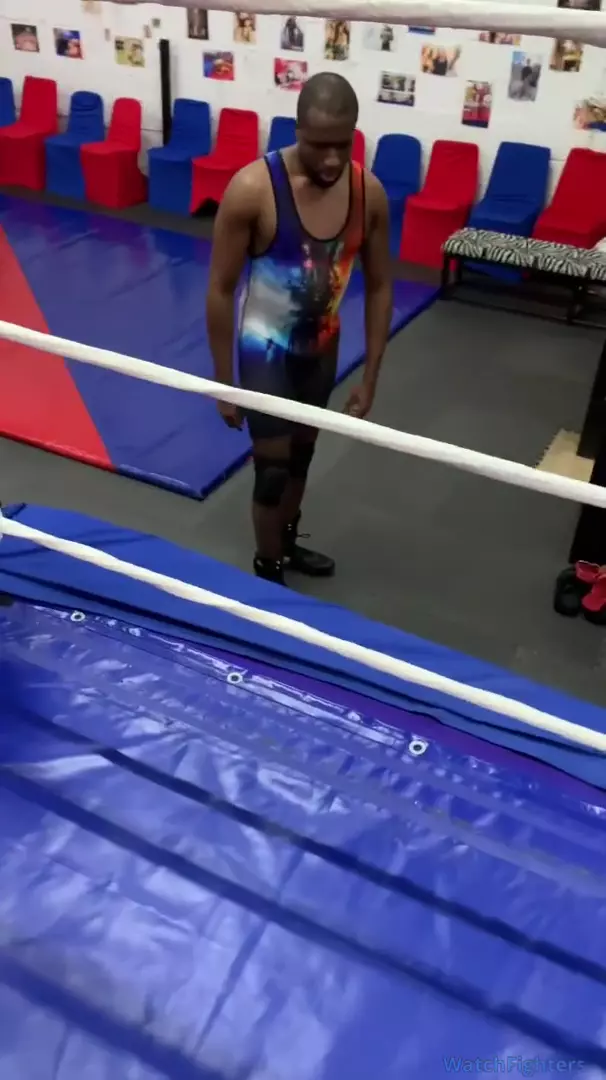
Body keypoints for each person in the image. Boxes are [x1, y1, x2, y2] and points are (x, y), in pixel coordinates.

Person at [206, 72, 392, 586]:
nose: (331, 160)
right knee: (271, 472)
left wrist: (370, 377)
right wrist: (223, 384)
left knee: (301, 459)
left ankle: (285, 544)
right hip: (265, 351)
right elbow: (220, 289)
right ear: (296, 131)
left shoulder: (369, 193)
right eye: (318, 146)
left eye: (342, 145)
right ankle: (267, 573)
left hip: (321, 352)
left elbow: (381, 286)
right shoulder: (252, 190)